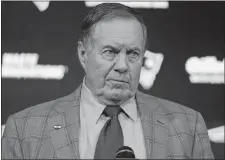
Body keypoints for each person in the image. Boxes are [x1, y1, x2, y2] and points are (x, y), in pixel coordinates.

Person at [2, 3, 214, 159]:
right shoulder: (24, 131)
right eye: (110, 52)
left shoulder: (189, 127)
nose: (122, 66)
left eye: (133, 53)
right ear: (83, 53)